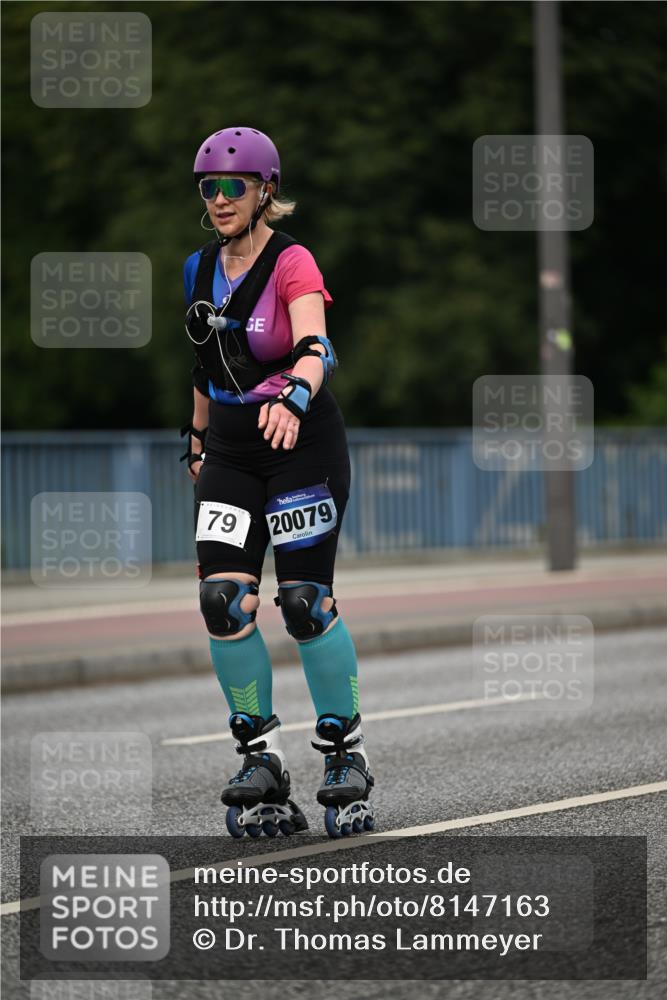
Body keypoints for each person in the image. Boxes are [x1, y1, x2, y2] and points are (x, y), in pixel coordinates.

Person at [182, 126, 374, 839]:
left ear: (266, 190)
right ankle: (259, 757)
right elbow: (205, 363)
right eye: (209, 187)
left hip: (301, 441)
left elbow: (315, 345)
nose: (220, 198)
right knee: (222, 599)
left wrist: (294, 396)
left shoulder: (292, 261)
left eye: (233, 186)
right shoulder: (197, 269)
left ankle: (341, 755)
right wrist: (198, 441)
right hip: (232, 447)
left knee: (302, 600)